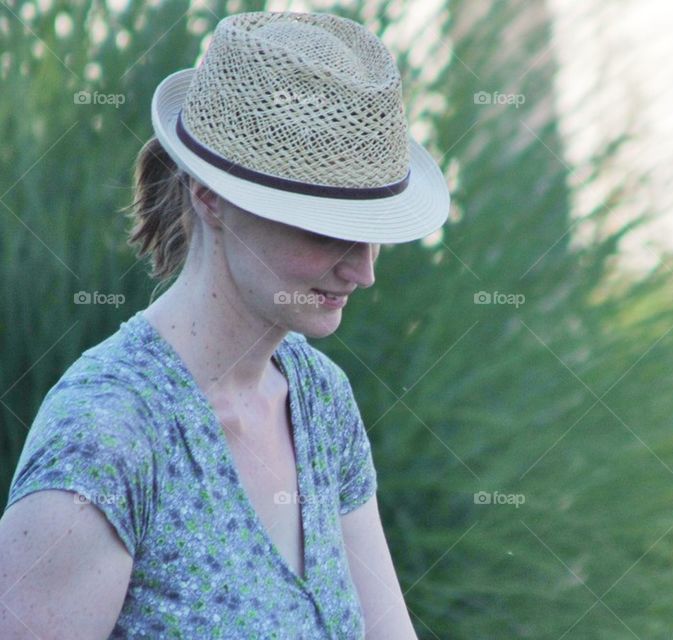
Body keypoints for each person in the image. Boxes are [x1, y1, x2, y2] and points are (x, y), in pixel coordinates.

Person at [0, 11, 448, 639]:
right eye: (326, 229)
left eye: (372, 231)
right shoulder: (105, 436)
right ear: (210, 194)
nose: (363, 271)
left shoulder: (320, 402)